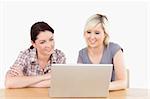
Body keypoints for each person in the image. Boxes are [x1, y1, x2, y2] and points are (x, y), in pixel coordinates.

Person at [5, 21, 66, 88]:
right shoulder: (25, 55)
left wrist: (24, 81)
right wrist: (45, 77)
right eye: (42, 42)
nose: (49, 45)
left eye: (51, 39)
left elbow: (61, 82)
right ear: (33, 43)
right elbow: (9, 83)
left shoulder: (60, 56)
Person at [77, 14, 127, 91]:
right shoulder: (82, 53)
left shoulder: (115, 49)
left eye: (97, 33)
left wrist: (99, 88)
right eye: (88, 32)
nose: (92, 37)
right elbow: (79, 82)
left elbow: (123, 82)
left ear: (105, 35)